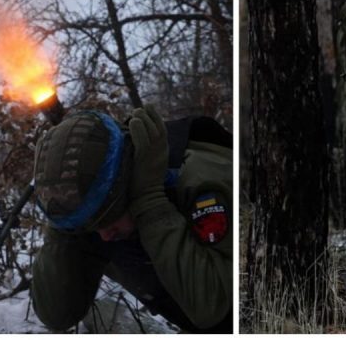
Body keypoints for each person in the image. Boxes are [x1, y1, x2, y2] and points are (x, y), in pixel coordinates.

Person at [30, 105, 232, 333]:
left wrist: (150, 201)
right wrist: (62, 223)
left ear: (130, 182)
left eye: (111, 219)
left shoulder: (202, 179)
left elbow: (219, 309)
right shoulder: (95, 208)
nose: (105, 236)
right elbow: (56, 315)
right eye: (94, 227)